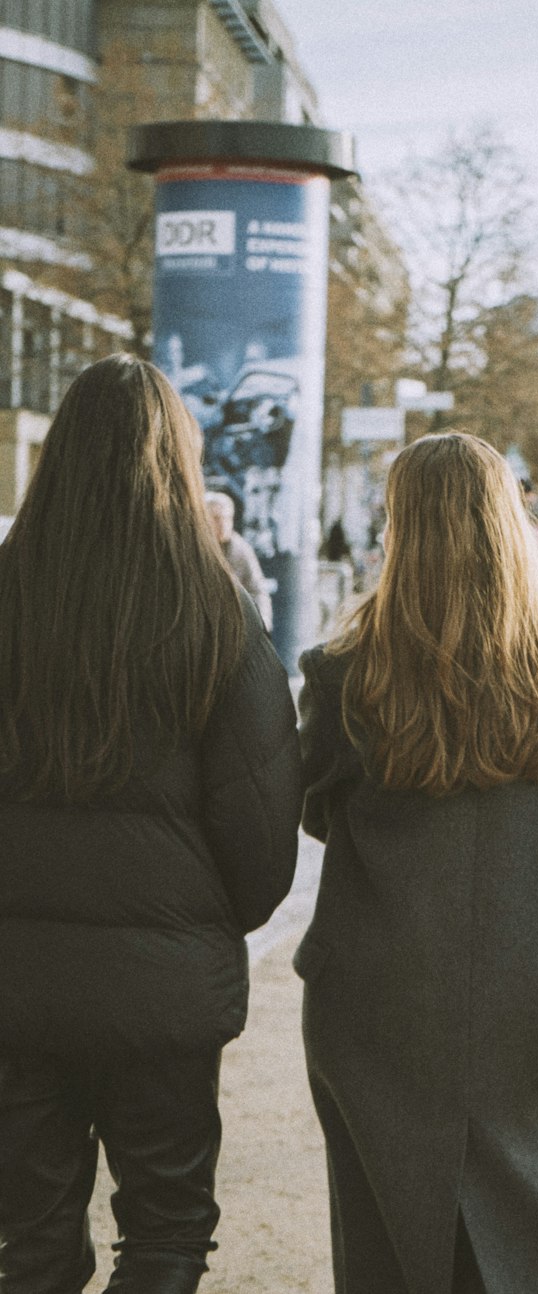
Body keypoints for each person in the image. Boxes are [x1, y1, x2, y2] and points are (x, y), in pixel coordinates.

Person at [295, 432, 538, 1294]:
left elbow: (315, 806)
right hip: (534, 991)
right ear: (509, 520)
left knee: (389, 1240)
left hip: (376, 991)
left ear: (399, 529)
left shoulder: (343, 673)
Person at [0, 354, 302, 1294]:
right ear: (180, 461)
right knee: (168, 1233)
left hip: (12, 981)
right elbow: (262, 840)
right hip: (163, 988)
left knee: (31, 1243)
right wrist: (194, 927)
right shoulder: (218, 616)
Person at [204, 490, 273, 632]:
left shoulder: (240, 549)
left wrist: (262, 624)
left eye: (227, 518)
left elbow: (258, 590)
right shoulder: (196, 547)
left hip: (232, 626)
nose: (223, 524)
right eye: (217, 518)